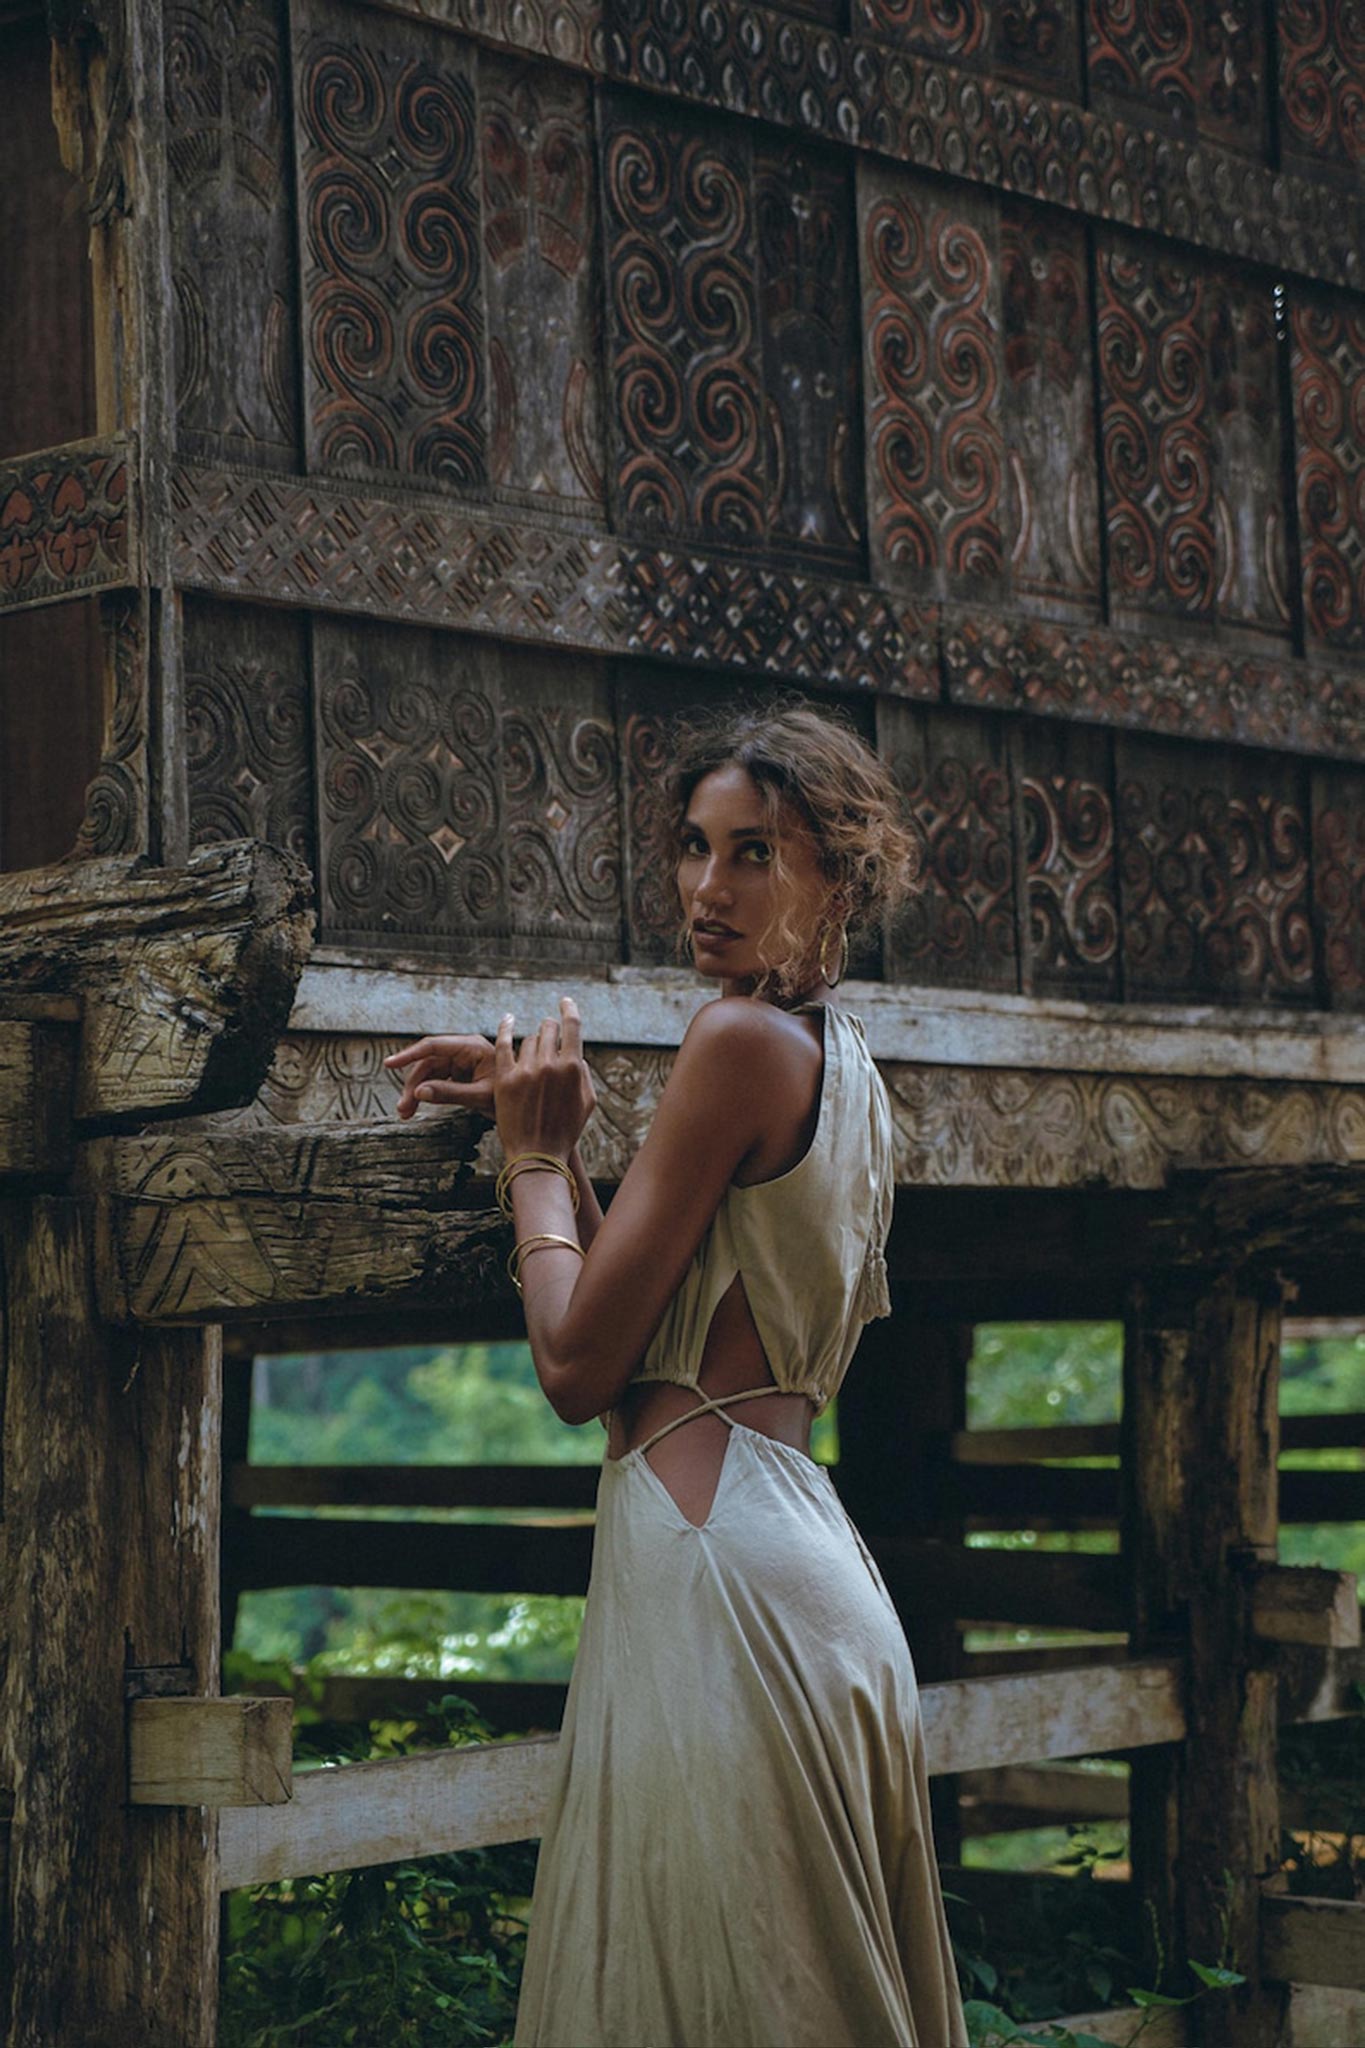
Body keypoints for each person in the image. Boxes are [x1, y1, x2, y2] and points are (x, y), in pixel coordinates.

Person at [385, 701, 968, 2048]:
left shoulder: (734, 1043)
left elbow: (582, 1365)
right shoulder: (840, 1060)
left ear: (842, 872)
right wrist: (559, 1132)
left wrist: (528, 1160)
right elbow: (660, 1333)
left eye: (755, 852)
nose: (709, 888)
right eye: (695, 848)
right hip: (797, 1562)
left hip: (719, 1578)